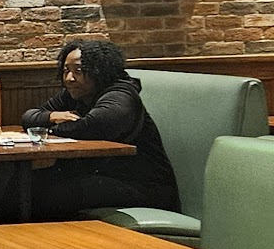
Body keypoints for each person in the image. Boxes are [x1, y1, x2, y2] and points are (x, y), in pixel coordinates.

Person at [20, 39, 179, 220]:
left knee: (47, 194)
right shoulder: (77, 92)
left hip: (144, 187)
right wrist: (51, 116)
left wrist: (50, 130)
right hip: (105, 177)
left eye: (79, 71)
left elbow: (91, 127)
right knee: (24, 185)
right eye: (66, 71)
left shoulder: (121, 95)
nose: (69, 78)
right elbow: (29, 117)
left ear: (99, 70)